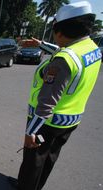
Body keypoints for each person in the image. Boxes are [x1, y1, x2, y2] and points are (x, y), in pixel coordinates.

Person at [10, 1, 101, 190]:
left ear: (60, 32)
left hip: (47, 123)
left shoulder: (63, 61)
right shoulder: (91, 48)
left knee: (33, 161)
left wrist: (31, 133)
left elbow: (46, 102)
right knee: (49, 157)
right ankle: (36, 186)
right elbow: (66, 50)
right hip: (70, 120)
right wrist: (42, 44)